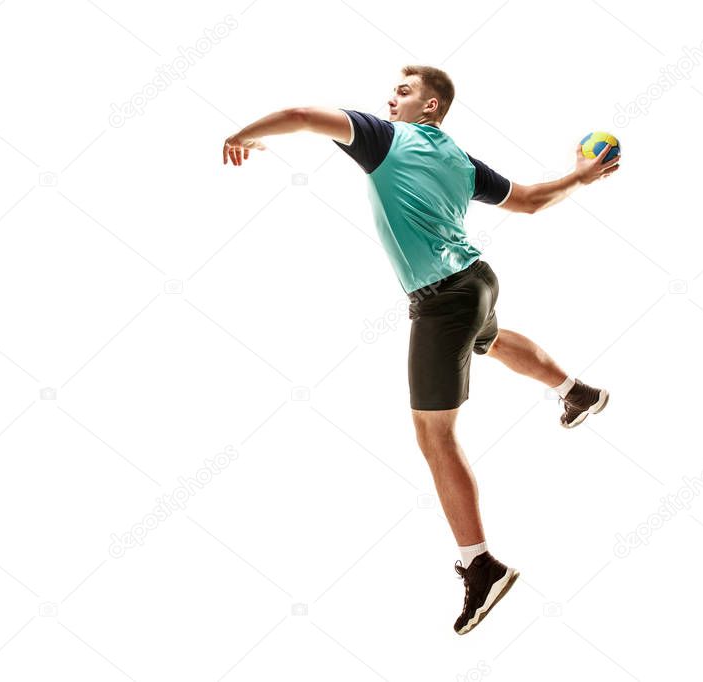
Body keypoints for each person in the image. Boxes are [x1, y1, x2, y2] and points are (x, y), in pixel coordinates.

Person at [222, 65, 620, 635]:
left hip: (442, 298)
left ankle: (479, 564)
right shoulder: (458, 160)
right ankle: (575, 391)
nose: (391, 97)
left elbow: (306, 117)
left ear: (430, 107)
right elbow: (530, 201)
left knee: (434, 433)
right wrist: (581, 175)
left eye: (404, 91)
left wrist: (245, 134)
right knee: (490, 339)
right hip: (476, 282)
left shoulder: (386, 138)